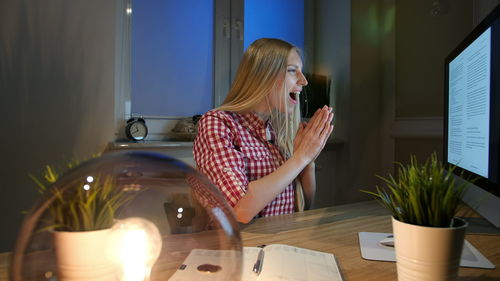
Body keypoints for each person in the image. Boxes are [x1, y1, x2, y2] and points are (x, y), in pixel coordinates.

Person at [193, 38, 333, 223]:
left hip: (280, 243)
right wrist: (301, 158)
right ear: (264, 75)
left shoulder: (274, 132)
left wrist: (307, 162)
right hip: (241, 249)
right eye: (292, 70)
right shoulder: (218, 123)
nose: (304, 80)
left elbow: (305, 205)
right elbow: (240, 210)